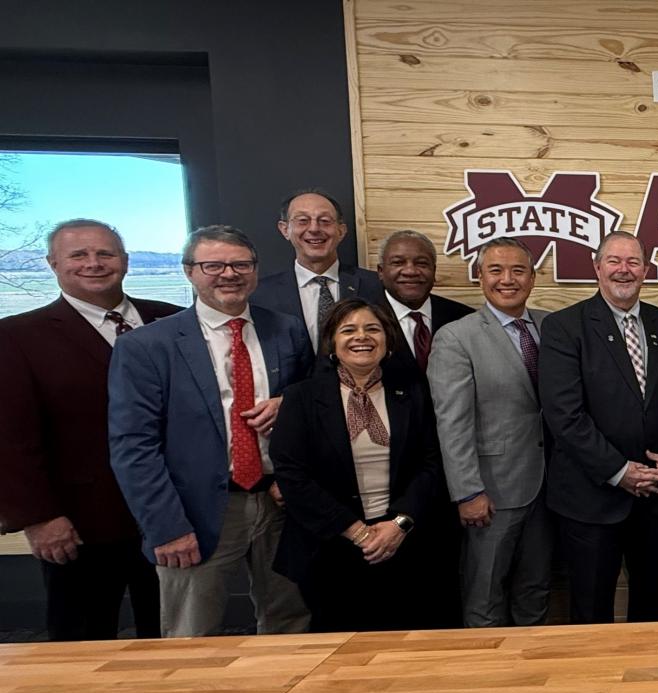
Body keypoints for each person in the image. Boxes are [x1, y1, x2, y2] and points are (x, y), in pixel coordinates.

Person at [108, 225, 313, 637]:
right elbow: (133, 446)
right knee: (191, 633)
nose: (229, 274)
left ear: (255, 270)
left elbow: (313, 402)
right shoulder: (149, 345)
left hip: (280, 503)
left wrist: (290, 403)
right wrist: (166, 527)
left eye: (240, 264)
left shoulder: (286, 330)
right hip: (195, 511)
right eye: (213, 265)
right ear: (189, 272)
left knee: (291, 623)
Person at [0, 219, 180, 640]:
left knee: (174, 632)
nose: (94, 264)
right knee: (81, 638)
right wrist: (39, 517)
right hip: (81, 520)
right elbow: (10, 438)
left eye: (105, 253)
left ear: (126, 261)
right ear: (53, 264)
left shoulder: (172, 319)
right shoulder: (17, 336)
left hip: (172, 512)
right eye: (79, 255)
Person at [270, 299, 456, 631]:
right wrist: (359, 533)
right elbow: (292, 476)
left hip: (404, 543)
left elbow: (431, 464)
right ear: (332, 341)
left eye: (373, 329)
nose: (362, 337)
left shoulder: (412, 393)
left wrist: (398, 524)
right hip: (330, 548)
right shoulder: (301, 397)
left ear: (387, 341)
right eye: (349, 330)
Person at [540, 231, 658, 623]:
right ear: (597, 267)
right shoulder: (563, 327)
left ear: (645, 270)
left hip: (655, 497)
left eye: (633, 262)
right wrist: (620, 471)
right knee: (591, 611)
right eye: (614, 261)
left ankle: (647, 683)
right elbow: (565, 416)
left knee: (650, 603)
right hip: (589, 500)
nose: (623, 270)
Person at [428, 237, 555, 627]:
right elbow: (452, 421)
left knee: (536, 589)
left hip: (551, 486)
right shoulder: (457, 337)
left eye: (518, 271)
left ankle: (530, 676)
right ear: (479, 276)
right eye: (496, 270)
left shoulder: (552, 326)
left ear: (533, 278)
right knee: (484, 594)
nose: (507, 280)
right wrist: (468, 491)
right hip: (491, 491)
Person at [252, 189, 384, 347]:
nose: (314, 229)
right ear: (285, 229)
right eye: (302, 220)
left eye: (325, 221)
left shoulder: (376, 285)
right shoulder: (260, 295)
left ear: (341, 231)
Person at [376, 229, 474, 376]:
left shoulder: (464, 318)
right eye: (398, 263)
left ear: (434, 271)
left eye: (421, 263)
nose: (410, 271)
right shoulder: (362, 320)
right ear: (380, 271)